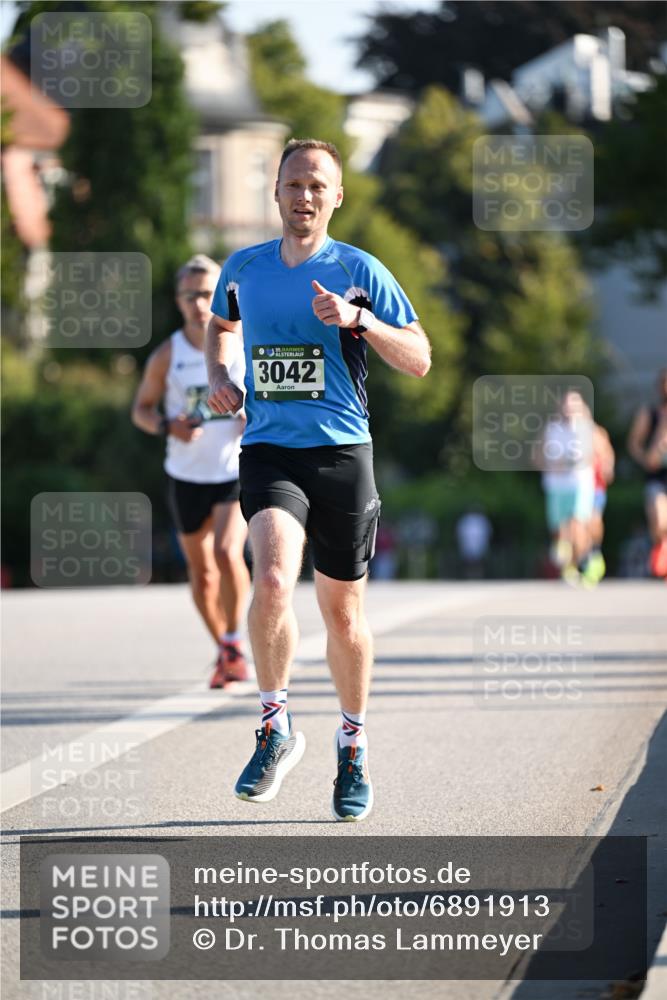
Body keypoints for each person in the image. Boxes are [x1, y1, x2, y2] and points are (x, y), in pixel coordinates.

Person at [206, 138, 431, 821]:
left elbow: (419, 357)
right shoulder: (243, 268)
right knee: (273, 578)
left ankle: (352, 745)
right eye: (293, 183)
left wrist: (361, 319)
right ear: (275, 192)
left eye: (316, 186)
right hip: (269, 448)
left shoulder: (359, 270)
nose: (303, 195)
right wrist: (220, 376)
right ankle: (273, 727)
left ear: (336, 197)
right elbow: (220, 326)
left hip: (341, 455)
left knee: (343, 615)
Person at [132, 255, 251, 688]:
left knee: (227, 553)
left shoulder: (244, 341)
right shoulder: (168, 354)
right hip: (186, 475)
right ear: (178, 300)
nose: (199, 303)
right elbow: (141, 410)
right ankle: (225, 649)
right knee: (201, 575)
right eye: (190, 295)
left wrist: (256, 416)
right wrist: (169, 426)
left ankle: (234, 638)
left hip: (233, 469)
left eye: (207, 293)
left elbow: (274, 390)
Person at [540, 389, 595, 585]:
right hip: (556, 486)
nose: (569, 408)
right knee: (560, 530)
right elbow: (542, 456)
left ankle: (581, 562)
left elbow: (589, 455)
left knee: (576, 524)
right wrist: (552, 464)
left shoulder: (587, 428)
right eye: (566, 404)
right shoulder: (552, 429)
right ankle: (568, 566)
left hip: (579, 484)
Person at [627, 369, 667, 579]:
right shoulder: (650, 413)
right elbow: (634, 444)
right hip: (657, 476)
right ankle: (661, 550)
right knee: (660, 521)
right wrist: (645, 459)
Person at [586, 421, 615, 583]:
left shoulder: (598, 433)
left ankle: (595, 554)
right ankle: (582, 560)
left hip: (596, 487)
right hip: (576, 487)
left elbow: (608, 455)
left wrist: (608, 467)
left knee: (594, 521)